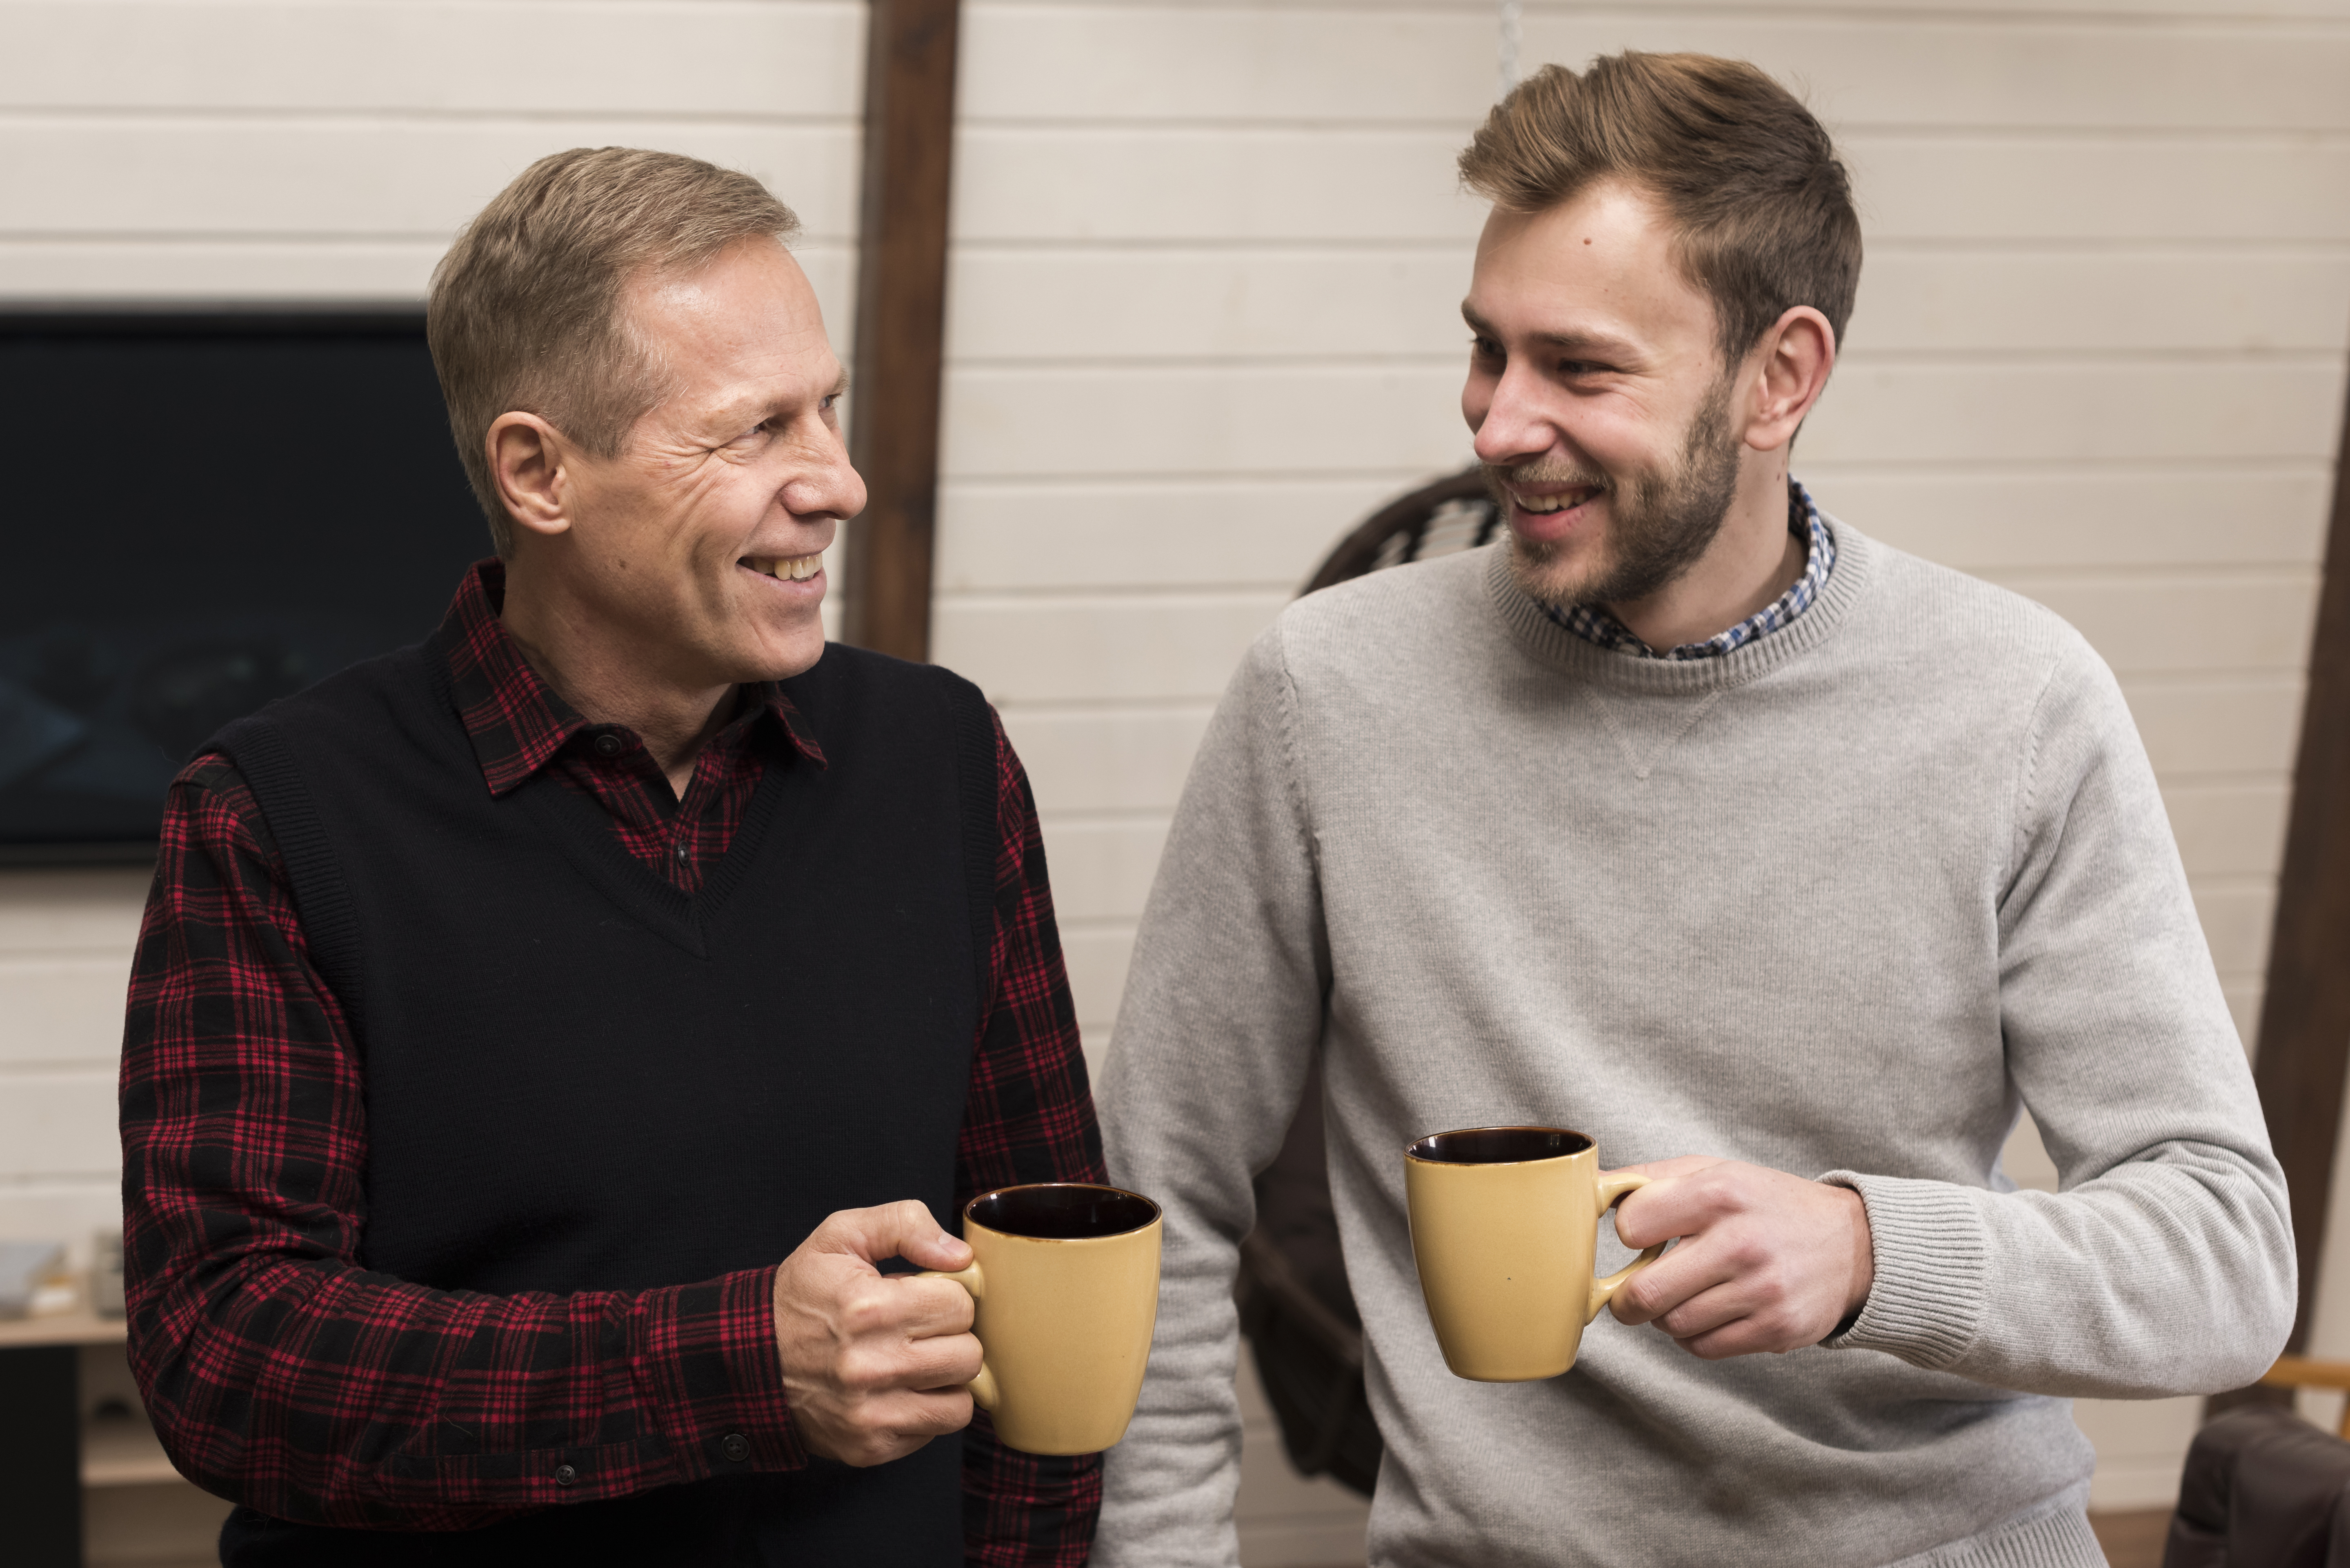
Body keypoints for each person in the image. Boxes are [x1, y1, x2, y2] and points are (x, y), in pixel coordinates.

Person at [1093, 52, 2294, 1568]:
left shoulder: (2020, 704)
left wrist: (1872, 1252)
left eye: (1580, 370)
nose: (1499, 422)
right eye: (1488, 351)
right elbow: (1154, 1206)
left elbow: (2227, 1261)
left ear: (1781, 376)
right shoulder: (1323, 696)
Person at [119, 148, 1103, 1566]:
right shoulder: (273, 815)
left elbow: (1048, 1253)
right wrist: (738, 1365)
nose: (841, 482)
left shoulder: (945, 757)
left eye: (828, 409)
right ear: (538, 472)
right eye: (755, 429)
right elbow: (229, 1354)